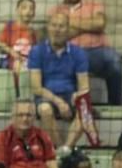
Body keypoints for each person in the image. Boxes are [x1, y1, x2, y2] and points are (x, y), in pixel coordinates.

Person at [48, 0, 122, 107]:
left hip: (97, 52)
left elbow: (100, 23)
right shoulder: (55, 11)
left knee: (113, 59)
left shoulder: (94, 4)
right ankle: (71, 107)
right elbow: (58, 35)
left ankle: (116, 105)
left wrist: (68, 22)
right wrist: (89, 24)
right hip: (69, 54)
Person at [29, 12, 93, 153]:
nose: (57, 29)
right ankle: (57, 150)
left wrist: (77, 96)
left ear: (68, 29)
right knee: (45, 110)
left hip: (69, 94)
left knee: (85, 110)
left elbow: (84, 87)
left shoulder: (78, 53)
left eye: (61, 26)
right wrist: (58, 102)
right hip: (46, 96)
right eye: (54, 25)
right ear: (48, 27)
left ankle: (66, 148)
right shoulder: (37, 51)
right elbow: (36, 87)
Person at [0, 0, 37, 78]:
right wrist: (12, 52)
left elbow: (35, 49)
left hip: (28, 62)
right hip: (12, 61)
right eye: (24, 8)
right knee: (18, 64)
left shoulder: (33, 32)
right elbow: (0, 42)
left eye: (31, 9)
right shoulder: (9, 27)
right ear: (17, 10)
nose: (28, 11)